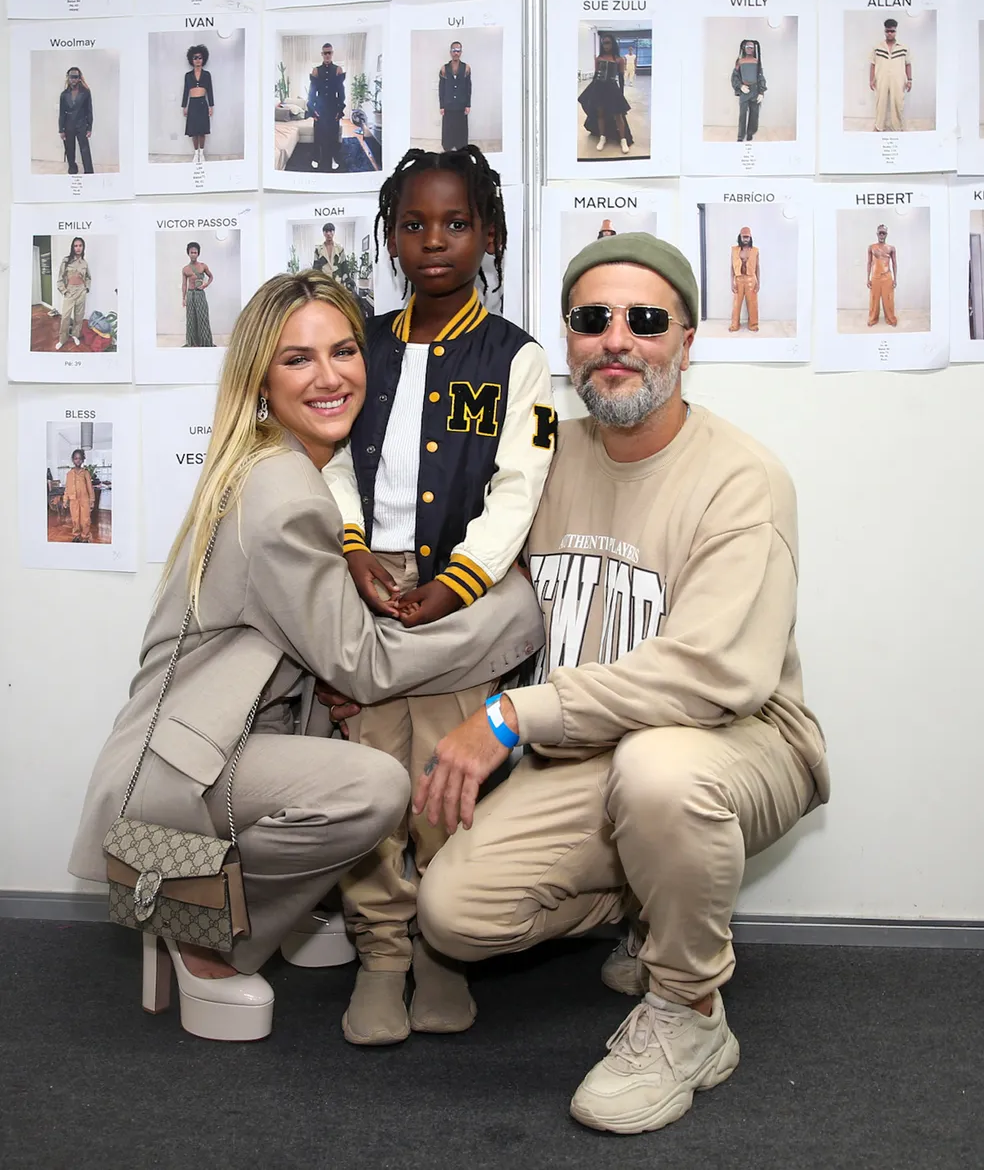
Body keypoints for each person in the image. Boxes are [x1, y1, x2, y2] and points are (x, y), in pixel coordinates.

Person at [415, 231, 828, 1137]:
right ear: (567, 343)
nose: (617, 339)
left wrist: (514, 715)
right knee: (451, 916)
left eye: (645, 319)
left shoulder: (742, 478)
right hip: (590, 752)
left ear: (687, 338)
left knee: (662, 776)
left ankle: (689, 1013)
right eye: (592, 320)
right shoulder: (544, 458)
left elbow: (713, 675)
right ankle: (658, 896)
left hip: (737, 742)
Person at [67, 271, 544, 1044]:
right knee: (374, 789)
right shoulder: (286, 493)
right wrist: (513, 611)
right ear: (260, 378)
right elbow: (364, 665)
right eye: (298, 360)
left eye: (345, 350)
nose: (330, 376)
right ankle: (200, 931)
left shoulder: (272, 463)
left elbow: (322, 656)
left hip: (215, 737)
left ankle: (228, 905)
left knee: (360, 731)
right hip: (184, 769)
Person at [322, 146, 555, 1047]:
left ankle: (440, 953)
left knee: (444, 780)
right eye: (413, 224)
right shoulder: (362, 344)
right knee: (371, 776)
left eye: (454, 223)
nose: (433, 241)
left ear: (488, 235)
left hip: (464, 597)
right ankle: (380, 949)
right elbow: (331, 454)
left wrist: (459, 582)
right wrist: (352, 548)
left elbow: (519, 483)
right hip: (368, 582)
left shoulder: (517, 359)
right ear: (389, 238)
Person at [578, 32, 633, 156]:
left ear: (612, 43)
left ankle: (623, 140)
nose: (605, 45)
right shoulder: (599, 59)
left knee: (618, 115)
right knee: (600, 113)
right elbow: (595, 76)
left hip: (612, 88)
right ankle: (602, 138)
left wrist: (621, 93)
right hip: (599, 87)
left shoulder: (619, 59)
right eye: (603, 43)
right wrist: (591, 91)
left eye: (608, 42)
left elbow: (621, 78)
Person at [309, 43, 346, 174]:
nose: (327, 55)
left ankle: (333, 158)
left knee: (333, 135)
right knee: (318, 134)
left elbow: (341, 92)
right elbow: (312, 92)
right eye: (325, 53)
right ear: (322, 54)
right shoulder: (316, 70)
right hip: (319, 106)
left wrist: (340, 109)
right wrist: (312, 110)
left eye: (329, 52)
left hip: (333, 107)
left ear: (332, 53)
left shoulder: (338, 70)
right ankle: (317, 158)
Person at [869, 19, 911, 133]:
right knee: (880, 103)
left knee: (898, 103)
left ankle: (897, 127)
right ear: (884, 31)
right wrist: (871, 79)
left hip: (898, 80)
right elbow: (872, 64)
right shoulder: (878, 47)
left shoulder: (903, 48)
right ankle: (879, 127)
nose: (890, 33)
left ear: (895, 31)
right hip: (881, 79)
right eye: (887, 31)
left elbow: (908, 64)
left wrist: (910, 80)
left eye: (892, 31)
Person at [56, 237, 91, 350]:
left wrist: (86, 289)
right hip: (70, 291)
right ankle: (62, 339)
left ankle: (76, 335)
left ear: (83, 247)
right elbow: (60, 278)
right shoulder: (66, 261)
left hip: (81, 291)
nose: (78, 248)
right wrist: (64, 291)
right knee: (65, 317)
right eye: (76, 246)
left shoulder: (84, 263)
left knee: (79, 316)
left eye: (80, 245)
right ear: (72, 247)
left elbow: (88, 277)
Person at [182, 44, 214, 165]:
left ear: (203, 59)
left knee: (202, 130)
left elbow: (210, 91)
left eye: (200, 57)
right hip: (193, 104)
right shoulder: (188, 76)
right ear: (191, 59)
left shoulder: (207, 75)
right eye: (195, 57)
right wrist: (184, 106)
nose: (197, 60)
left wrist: (211, 106)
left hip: (202, 103)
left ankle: (201, 153)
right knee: (193, 130)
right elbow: (186, 91)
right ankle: (196, 154)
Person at [59, 67, 93, 177]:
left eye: (76, 77)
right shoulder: (64, 95)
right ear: (68, 78)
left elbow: (89, 111)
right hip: (68, 125)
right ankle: (72, 169)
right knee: (70, 149)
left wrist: (89, 128)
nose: (73, 79)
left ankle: (89, 171)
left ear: (79, 78)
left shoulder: (86, 93)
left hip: (82, 125)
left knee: (85, 150)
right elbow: (62, 113)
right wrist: (61, 129)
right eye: (71, 77)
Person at [439, 42, 471, 153]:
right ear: (450, 52)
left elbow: (468, 87)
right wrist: (442, 105)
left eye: (458, 51)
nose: (456, 53)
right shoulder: (444, 68)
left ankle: (461, 146)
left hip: (461, 104)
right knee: (448, 127)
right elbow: (441, 87)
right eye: (454, 50)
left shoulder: (466, 68)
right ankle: (448, 146)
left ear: (461, 52)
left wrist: (468, 104)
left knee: (461, 127)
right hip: (448, 104)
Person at [731, 39, 766, 143]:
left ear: (754, 49)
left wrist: (761, 92)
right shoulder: (740, 61)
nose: (749, 49)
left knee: (754, 113)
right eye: (747, 47)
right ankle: (740, 136)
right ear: (744, 48)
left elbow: (761, 77)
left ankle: (750, 132)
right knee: (742, 114)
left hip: (755, 90)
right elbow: (735, 76)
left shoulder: (757, 62)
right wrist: (740, 86)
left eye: (751, 47)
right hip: (744, 90)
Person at [182, 242, 214, 348]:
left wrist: (205, 285)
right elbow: (184, 284)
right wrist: (184, 298)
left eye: (195, 252)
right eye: (191, 252)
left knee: (203, 317)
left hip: (200, 294)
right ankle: (192, 343)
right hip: (190, 294)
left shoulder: (203, 266)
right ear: (188, 253)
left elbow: (211, 277)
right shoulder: (185, 269)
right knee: (191, 318)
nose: (193, 254)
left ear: (198, 253)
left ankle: (205, 342)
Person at [867, 224, 898, 327]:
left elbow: (894, 263)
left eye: (883, 233)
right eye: (879, 233)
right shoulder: (871, 247)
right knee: (874, 300)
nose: (881, 235)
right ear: (877, 234)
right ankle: (872, 319)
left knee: (888, 300)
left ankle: (891, 319)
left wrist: (895, 279)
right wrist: (867, 278)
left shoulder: (891, 248)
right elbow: (869, 263)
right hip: (875, 277)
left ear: (886, 234)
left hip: (887, 277)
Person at [729, 226, 759, 332]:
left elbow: (757, 267)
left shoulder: (755, 250)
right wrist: (731, 282)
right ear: (740, 237)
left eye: (747, 237)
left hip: (751, 279)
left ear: (750, 237)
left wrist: (758, 282)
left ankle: (753, 325)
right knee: (736, 304)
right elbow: (732, 267)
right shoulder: (734, 250)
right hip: (738, 279)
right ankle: (735, 325)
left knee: (753, 303)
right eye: (744, 237)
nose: (745, 239)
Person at [62, 448, 94, 543]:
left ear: (83, 460)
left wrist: (92, 501)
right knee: (75, 519)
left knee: (85, 520)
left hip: (85, 500)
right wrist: (65, 500)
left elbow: (90, 488)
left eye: (80, 458)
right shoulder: (69, 474)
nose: (78, 460)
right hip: (73, 500)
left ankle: (85, 536)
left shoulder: (86, 473)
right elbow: (67, 488)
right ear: (73, 460)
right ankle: (77, 535)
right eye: (76, 458)